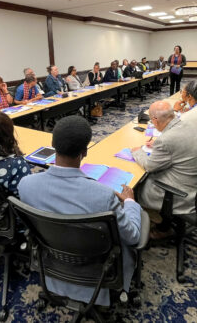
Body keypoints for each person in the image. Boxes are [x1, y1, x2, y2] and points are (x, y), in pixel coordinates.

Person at [18, 115, 142, 306]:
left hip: (52, 261)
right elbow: (132, 237)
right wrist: (131, 203)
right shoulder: (103, 195)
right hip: (98, 270)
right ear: (84, 152)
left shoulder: (26, 185)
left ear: (53, 145)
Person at [131, 101, 197, 239]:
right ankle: (162, 221)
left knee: (135, 184)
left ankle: (158, 223)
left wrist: (137, 152)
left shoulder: (166, 140)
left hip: (180, 193)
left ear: (155, 119)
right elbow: (177, 144)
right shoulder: (188, 124)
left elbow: (149, 166)